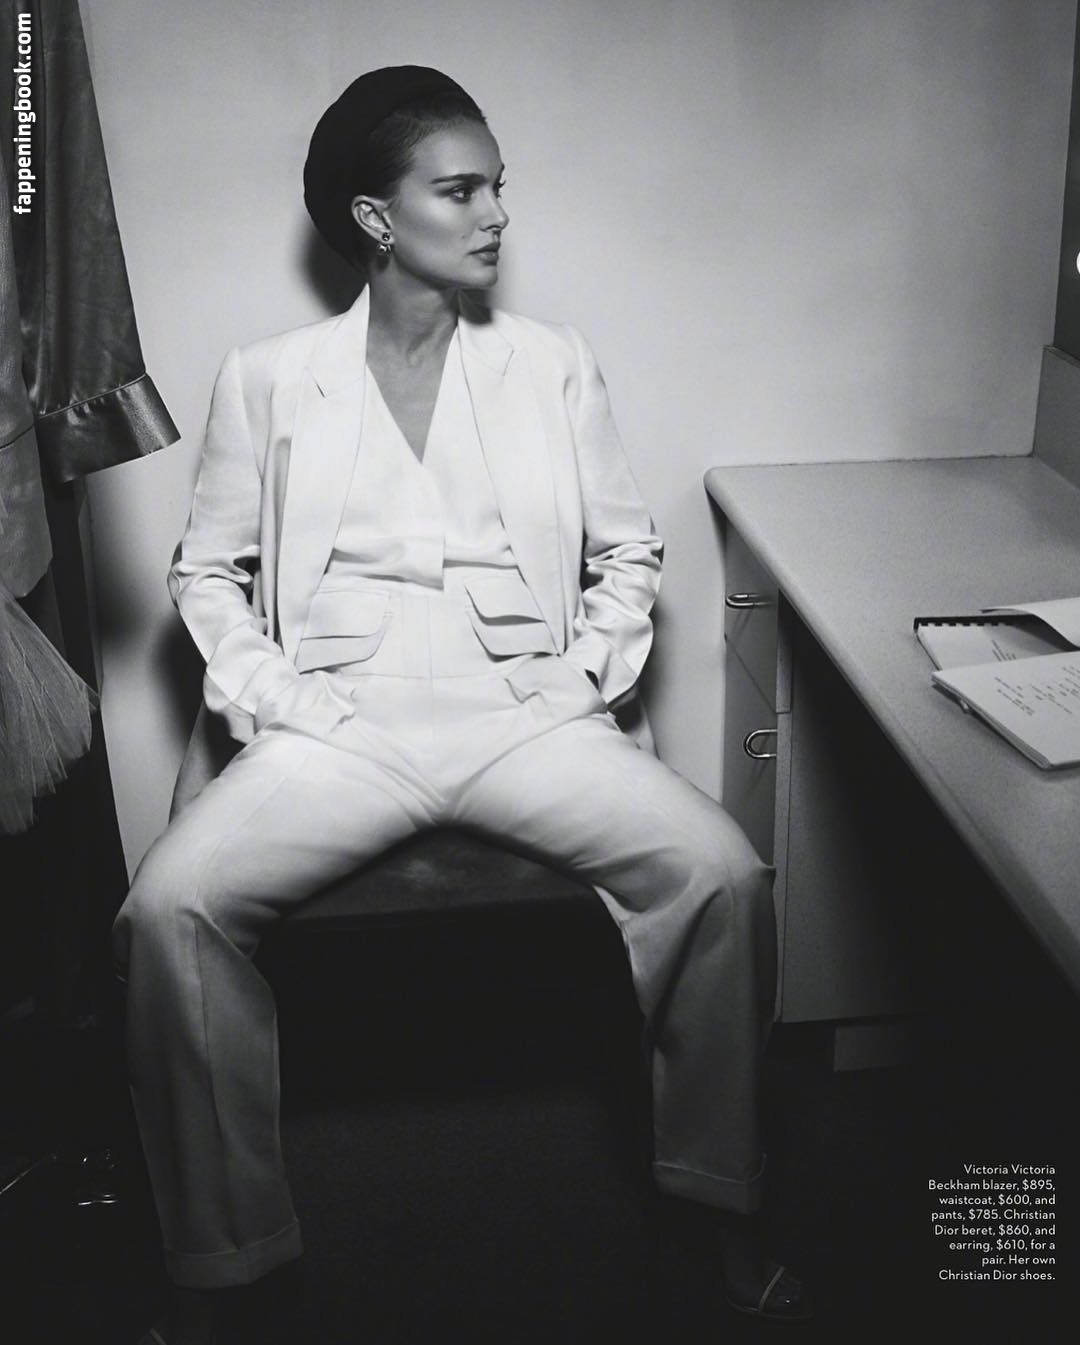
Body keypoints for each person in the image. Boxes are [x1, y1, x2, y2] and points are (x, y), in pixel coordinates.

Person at [113, 66, 809, 1344]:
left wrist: (577, 679)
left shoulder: (553, 363)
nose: (496, 215)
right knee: (169, 911)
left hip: (522, 707)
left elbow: (629, 550)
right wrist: (278, 701)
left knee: (722, 874)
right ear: (378, 219)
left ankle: (722, 1202)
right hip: (338, 717)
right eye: (462, 190)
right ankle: (221, 1261)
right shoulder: (270, 376)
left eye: (498, 188)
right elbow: (206, 572)